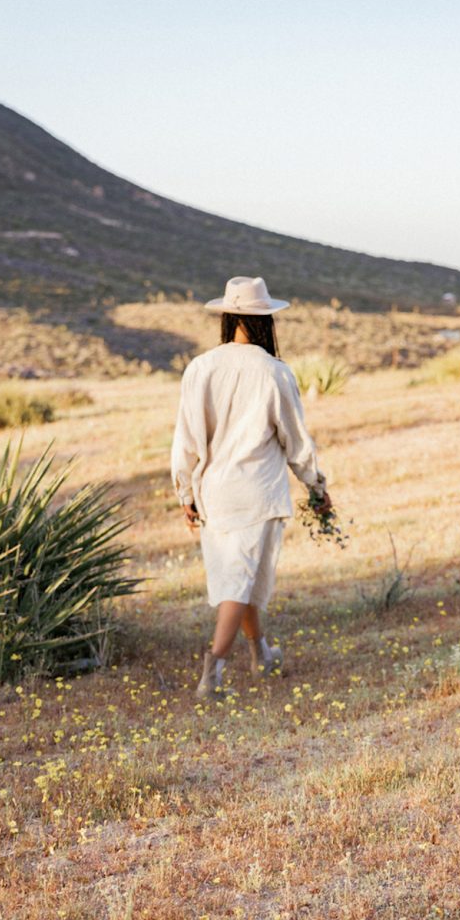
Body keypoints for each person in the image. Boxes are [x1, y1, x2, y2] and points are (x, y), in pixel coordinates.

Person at [171, 275, 332, 697]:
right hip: (257, 491)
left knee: (241, 577)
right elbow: (296, 442)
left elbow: (185, 440)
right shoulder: (274, 372)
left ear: (226, 316)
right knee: (239, 582)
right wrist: (316, 487)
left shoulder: (200, 368)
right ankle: (214, 669)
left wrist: (185, 493)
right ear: (265, 321)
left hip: (214, 492)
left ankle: (261, 653)